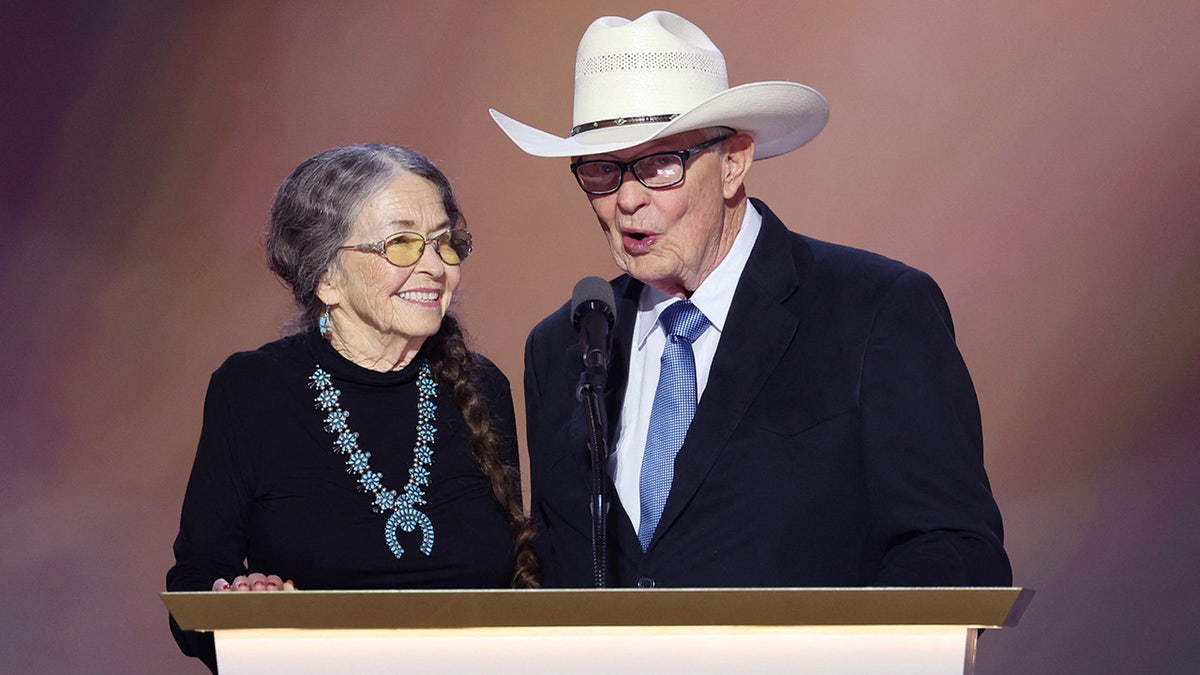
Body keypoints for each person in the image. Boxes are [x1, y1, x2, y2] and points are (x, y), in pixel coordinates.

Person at [490, 11, 1011, 588]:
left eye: (660, 164)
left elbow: (954, 552)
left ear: (734, 161)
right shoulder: (562, 345)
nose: (628, 199)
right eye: (602, 171)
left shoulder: (875, 312)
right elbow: (556, 569)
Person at [166, 144, 538, 672]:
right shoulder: (253, 389)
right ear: (327, 278)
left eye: (444, 242)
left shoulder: (483, 387)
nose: (435, 266)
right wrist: (243, 605)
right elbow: (194, 588)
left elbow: (523, 583)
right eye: (403, 244)